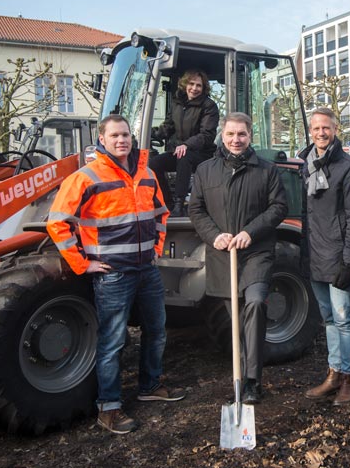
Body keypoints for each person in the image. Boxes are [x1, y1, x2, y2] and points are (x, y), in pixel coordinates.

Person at [47, 114, 185, 435]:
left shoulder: (147, 174)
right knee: (112, 342)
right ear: (103, 140)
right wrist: (83, 264)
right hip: (113, 274)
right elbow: (57, 222)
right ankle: (108, 408)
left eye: (125, 135)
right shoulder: (86, 176)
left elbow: (161, 214)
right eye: (115, 136)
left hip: (146, 269)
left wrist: (155, 249)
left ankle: (150, 385)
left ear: (131, 139)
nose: (121, 140)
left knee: (157, 330)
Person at [188, 112, 288, 404]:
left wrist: (250, 232)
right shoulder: (206, 171)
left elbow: (279, 207)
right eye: (231, 134)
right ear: (222, 134)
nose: (236, 140)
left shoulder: (266, 171)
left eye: (241, 134)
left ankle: (254, 381)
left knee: (255, 303)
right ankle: (241, 377)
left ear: (250, 136)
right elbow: (197, 210)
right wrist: (214, 235)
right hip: (223, 257)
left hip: (256, 253)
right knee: (237, 322)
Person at [299, 107, 350, 405]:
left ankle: (349, 377)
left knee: (343, 318)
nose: (321, 133)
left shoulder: (349, 167)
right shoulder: (306, 163)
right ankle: (334, 373)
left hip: (339, 254)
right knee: (327, 318)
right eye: (316, 129)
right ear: (310, 131)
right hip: (315, 254)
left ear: (335, 130)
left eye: (326, 128)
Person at [149, 69, 219, 217]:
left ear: (203, 88)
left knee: (184, 156)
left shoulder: (209, 106)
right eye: (191, 84)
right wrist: (151, 133)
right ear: (185, 84)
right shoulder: (177, 103)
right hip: (180, 151)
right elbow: (168, 127)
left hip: (202, 154)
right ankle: (168, 203)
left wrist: (187, 145)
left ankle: (179, 205)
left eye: (198, 85)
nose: (194, 88)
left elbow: (206, 135)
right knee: (153, 164)